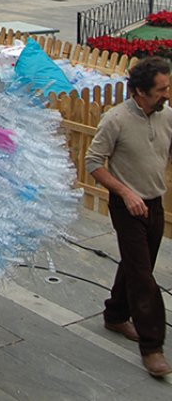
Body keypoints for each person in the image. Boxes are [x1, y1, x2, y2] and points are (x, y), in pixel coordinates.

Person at [85, 56, 172, 377]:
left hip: (155, 203)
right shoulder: (115, 119)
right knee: (143, 278)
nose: (167, 94)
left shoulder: (167, 117)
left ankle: (115, 315)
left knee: (139, 265)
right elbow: (93, 162)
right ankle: (152, 347)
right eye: (161, 89)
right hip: (127, 206)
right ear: (139, 91)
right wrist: (126, 193)